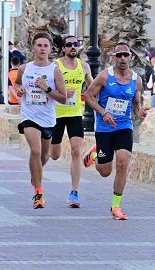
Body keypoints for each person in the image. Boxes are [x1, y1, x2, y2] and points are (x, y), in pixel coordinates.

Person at [82, 43, 147, 220]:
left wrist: (139, 111)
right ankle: (96, 154)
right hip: (104, 127)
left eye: (126, 55)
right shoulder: (104, 77)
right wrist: (103, 113)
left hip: (124, 126)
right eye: (119, 55)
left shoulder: (136, 80)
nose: (122, 58)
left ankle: (116, 206)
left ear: (131, 57)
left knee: (123, 163)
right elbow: (88, 96)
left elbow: (136, 102)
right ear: (114, 57)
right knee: (105, 171)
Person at [12, 33, 68, 209]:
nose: (42, 48)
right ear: (33, 48)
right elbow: (18, 85)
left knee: (45, 155)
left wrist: (47, 88)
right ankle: (38, 193)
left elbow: (63, 98)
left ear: (50, 49)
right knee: (35, 150)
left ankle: (35, 175)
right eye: (39, 45)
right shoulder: (24, 68)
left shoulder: (54, 70)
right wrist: (19, 90)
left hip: (48, 119)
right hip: (29, 115)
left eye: (46, 45)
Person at [49, 35, 91, 208]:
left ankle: (74, 192)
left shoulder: (84, 66)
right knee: (54, 155)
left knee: (75, 151)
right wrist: (61, 93)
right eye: (69, 45)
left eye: (76, 44)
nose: (73, 47)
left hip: (75, 114)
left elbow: (94, 87)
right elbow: (46, 89)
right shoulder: (55, 66)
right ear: (63, 49)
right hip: (56, 114)